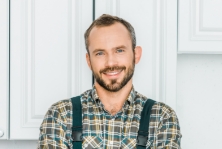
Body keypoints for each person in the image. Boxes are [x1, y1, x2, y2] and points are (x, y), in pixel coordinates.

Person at [38, 14, 182, 149]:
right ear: (89, 61)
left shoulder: (161, 117)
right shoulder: (60, 115)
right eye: (100, 53)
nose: (110, 62)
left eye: (119, 50)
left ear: (136, 54)